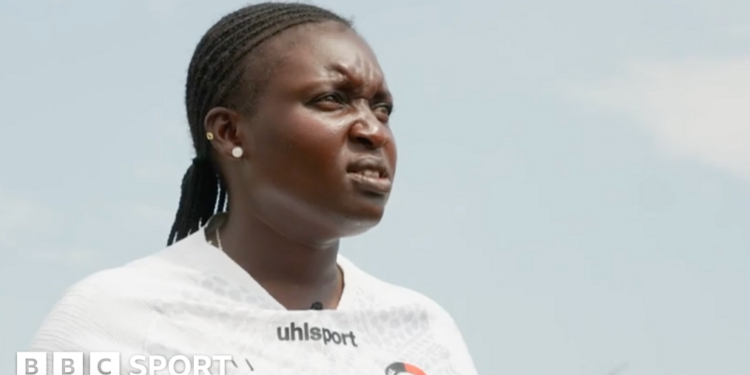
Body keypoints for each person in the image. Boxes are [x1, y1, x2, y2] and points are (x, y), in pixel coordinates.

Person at [29, 3, 478, 374]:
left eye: (382, 109)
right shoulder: (114, 319)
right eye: (332, 99)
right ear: (229, 132)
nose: (373, 131)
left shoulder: (424, 332)